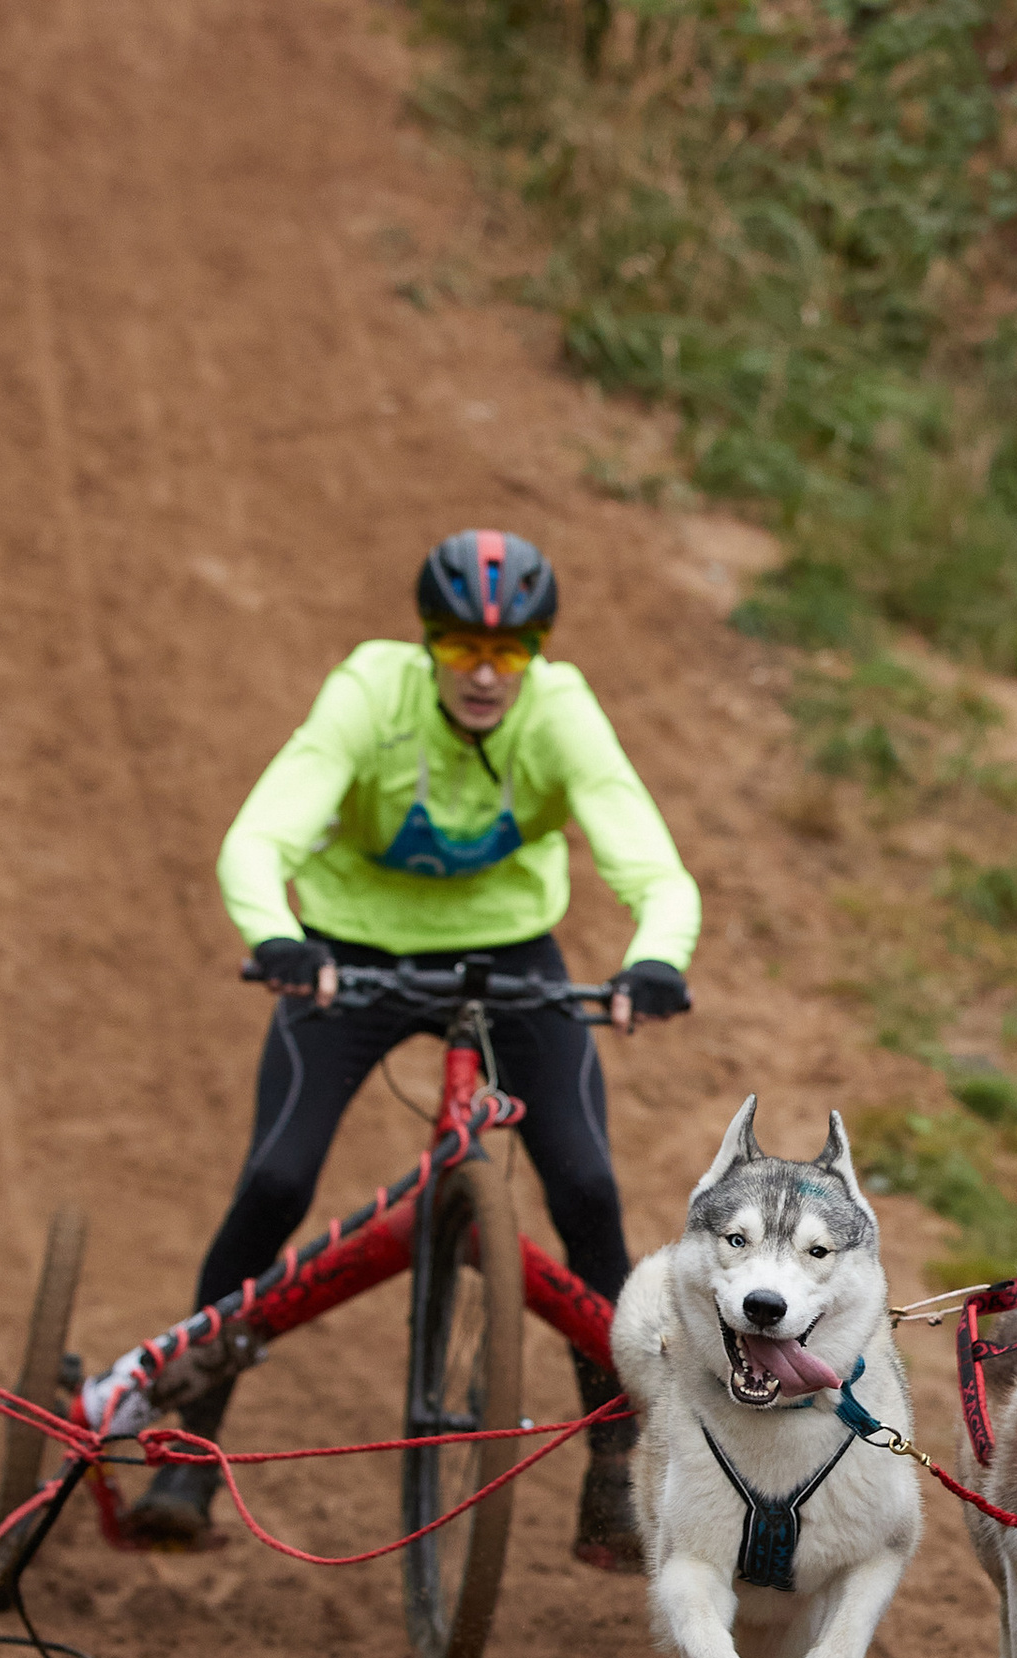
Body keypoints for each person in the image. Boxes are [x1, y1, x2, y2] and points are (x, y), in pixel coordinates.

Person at [125, 527, 698, 1565]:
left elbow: (653, 869)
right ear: (425, 642)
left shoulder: (560, 713)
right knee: (273, 1179)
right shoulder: (367, 694)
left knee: (585, 1188)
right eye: (461, 647)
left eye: (511, 652)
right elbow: (260, 836)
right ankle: (184, 1445)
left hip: (512, 956)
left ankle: (616, 1459)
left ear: (538, 652)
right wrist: (277, 938)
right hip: (350, 954)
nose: (485, 673)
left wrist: (654, 958)